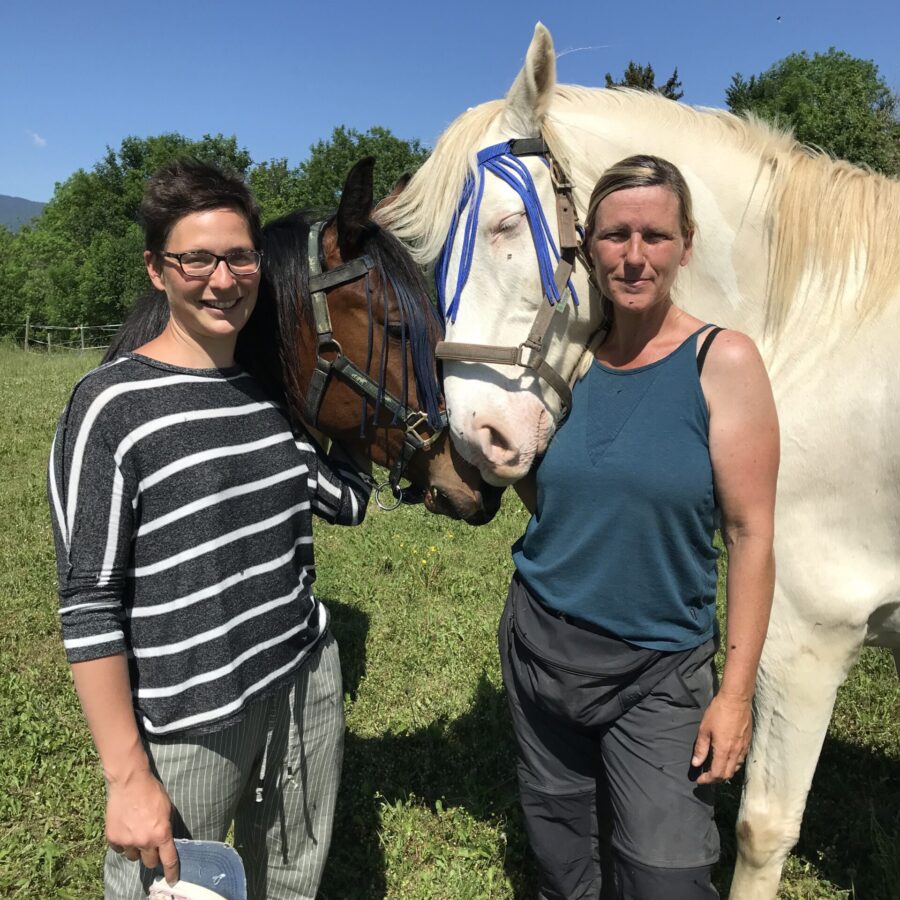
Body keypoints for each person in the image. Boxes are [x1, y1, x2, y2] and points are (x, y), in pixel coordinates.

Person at [48, 158, 371, 899]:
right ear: (158, 271)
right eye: (196, 258)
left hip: (304, 688)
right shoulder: (109, 406)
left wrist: (354, 395)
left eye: (239, 256)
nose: (222, 279)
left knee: (290, 881)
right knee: (166, 889)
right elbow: (89, 605)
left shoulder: (268, 400)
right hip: (188, 721)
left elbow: (346, 500)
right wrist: (128, 776)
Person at [502, 155, 779, 899]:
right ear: (588, 244)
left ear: (686, 244)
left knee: (666, 880)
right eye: (615, 235)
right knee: (564, 867)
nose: (633, 256)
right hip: (540, 648)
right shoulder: (567, 358)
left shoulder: (721, 360)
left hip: (659, 669)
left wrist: (736, 695)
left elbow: (752, 535)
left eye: (654, 236)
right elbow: (549, 492)